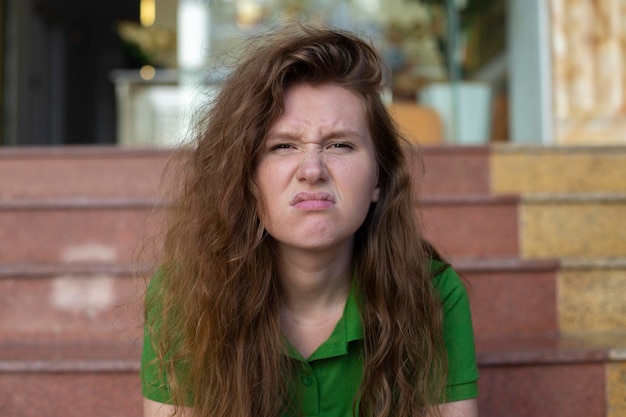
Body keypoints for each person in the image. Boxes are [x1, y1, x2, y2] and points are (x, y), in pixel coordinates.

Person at [140, 23, 479, 417]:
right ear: (244, 178)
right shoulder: (187, 293)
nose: (312, 170)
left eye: (339, 144)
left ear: (379, 179)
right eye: (283, 146)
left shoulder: (432, 294)